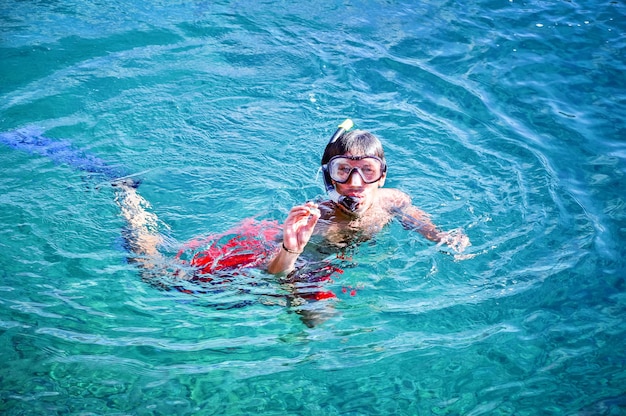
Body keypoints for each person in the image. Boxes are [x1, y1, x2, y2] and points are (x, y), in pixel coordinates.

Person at [267, 121, 469, 275]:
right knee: (317, 316)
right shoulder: (315, 221)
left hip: (362, 264)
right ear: (330, 178)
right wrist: (290, 250)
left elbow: (416, 221)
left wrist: (441, 237)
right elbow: (272, 272)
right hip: (317, 264)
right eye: (343, 170)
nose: (355, 182)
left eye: (367, 170)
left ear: (382, 176)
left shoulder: (392, 200)